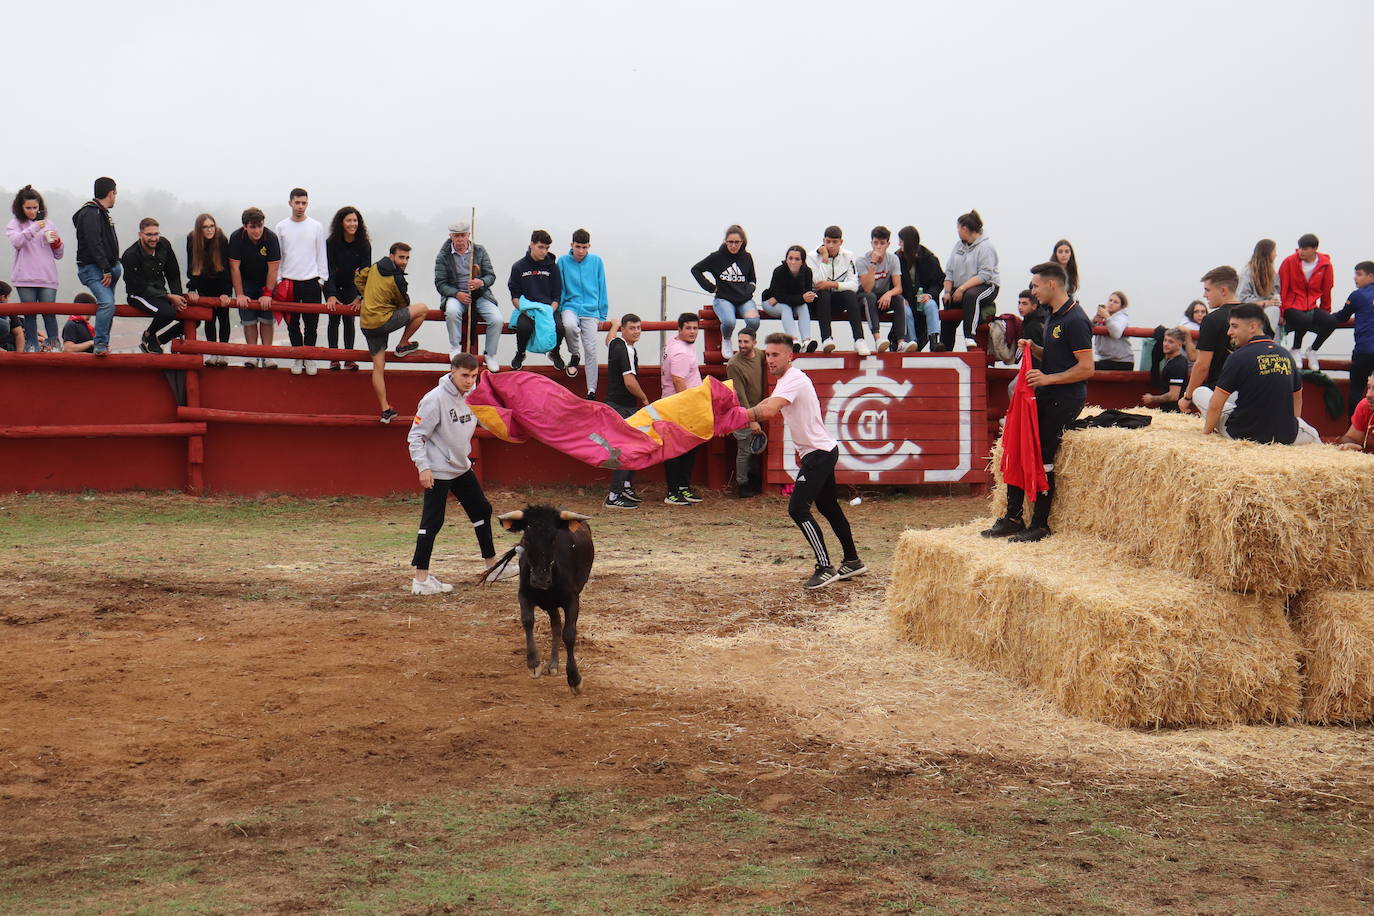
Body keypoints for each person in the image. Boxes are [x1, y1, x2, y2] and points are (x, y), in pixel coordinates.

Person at [744, 332, 866, 589]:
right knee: (828, 507)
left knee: (797, 509)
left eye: (776, 355)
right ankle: (853, 561)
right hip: (821, 451)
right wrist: (749, 417)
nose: (770, 360)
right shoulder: (787, 379)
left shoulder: (794, 378)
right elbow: (767, 403)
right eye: (767, 355)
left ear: (791, 356)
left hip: (818, 454)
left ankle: (825, 567)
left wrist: (738, 416)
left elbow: (768, 409)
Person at [981, 261, 1092, 543]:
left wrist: (1047, 379)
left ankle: (1040, 524)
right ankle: (1013, 517)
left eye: (1035, 285)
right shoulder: (1052, 315)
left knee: (1042, 457)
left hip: (1063, 399)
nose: (1033, 291)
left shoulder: (1075, 319)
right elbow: (1057, 358)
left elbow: (1086, 368)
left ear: (1051, 284)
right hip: (1046, 394)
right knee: (1018, 448)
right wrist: (1034, 349)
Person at [407, 352, 498, 594]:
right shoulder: (434, 399)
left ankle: (491, 567)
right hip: (438, 469)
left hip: (460, 466)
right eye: (465, 376)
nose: (469, 381)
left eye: (474, 376)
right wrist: (423, 467)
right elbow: (416, 436)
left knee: (481, 509)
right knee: (432, 520)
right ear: (453, 371)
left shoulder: (473, 394)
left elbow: (487, 419)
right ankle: (421, 579)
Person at [1195, 304, 1319, 445]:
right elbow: (1297, 398)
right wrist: (1292, 425)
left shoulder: (1237, 357)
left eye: (1234, 326)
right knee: (1314, 435)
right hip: (1284, 436)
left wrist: (1206, 435)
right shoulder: (1286, 355)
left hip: (1241, 434)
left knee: (1200, 392)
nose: (1229, 332)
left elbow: (1216, 405)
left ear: (1253, 327)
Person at [357, 242, 429, 423]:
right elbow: (404, 303)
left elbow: (358, 277)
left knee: (378, 368)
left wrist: (369, 297)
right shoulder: (397, 279)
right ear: (392, 257)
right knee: (422, 309)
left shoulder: (374, 267)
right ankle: (403, 343)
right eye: (401, 257)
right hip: (383, 321)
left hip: (367, 324)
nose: (404, 262)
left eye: (407, 258)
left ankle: (385, 409)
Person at [275, 188, 328, 376]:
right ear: (290, 203)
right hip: (289, 281)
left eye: (303, 203)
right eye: (297, 202)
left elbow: (321, 254)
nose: (300, 206)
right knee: (293, 323)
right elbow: (278, 256)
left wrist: (321, 280)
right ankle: (298, 356)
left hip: (311, 281)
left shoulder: (316, 226)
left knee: (311, 323)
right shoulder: (281, 227)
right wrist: (279, 279)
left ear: (307, 203)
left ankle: (310, 356)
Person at [435, 220, 501, 370]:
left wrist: (480, 282)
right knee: (451, 312)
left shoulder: (480, 251)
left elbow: (491, 276)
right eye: (456, 235)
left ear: (468, 235)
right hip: (455, 295)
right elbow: (440, 283)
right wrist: (456, 293)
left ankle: (490, 354)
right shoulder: (443, 256)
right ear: (451, 236)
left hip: (481, 295)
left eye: (462, 235)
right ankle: (455, 347)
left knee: (496, 319)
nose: (459, 239)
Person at [7, 186, 64, 352]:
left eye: (35, 207)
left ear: (40, 207)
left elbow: (59, 254)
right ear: (20, 207)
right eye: (28, 208)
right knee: (29, 313)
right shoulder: (14, 224)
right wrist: (34, 228)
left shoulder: (49, 224)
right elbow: (17, 242)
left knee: (49, 312)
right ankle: (31, 344)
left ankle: (54, 343)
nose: (32, 211)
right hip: (24, 277)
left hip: (47, 277)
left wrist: (57, 243)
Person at [602, 313, 650, 509]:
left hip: (614, 403)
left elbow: (608, 340)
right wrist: (645, 399)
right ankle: (615, 495)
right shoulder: (627, 351)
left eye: (638, 328)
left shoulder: (617, 344)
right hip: (624, 406)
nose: (636, 331)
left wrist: (613, 325)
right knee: (626, 449)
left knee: (624, 448)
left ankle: (625, 487)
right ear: (625, 329)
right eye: (632, 328)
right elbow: (629, 382)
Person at [120, 218, 189, 353]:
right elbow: (140, 287)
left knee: (192, 317)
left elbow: (173, 273)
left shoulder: (164, 245)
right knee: (168, 313)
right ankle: (148, 334)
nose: (154, 238)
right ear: (140, 235)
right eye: (149, 234)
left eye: (156, 234)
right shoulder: (130, 255)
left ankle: (157, 341)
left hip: (160, 292)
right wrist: (169, 297)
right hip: (138, 294)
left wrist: (177, 296)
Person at [690, 225, 758, 359]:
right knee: (729, 321)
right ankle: (726, 339)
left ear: (742, 242)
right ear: (725, 242)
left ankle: (745, 344)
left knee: (754, 321)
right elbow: (696, 269)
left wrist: (750, 288)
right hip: (723, 299)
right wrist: (711, 287)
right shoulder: (716, 257)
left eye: (736, 242)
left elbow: (752, 279)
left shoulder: (747, 257)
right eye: (730, 242)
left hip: (744, 299)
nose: (733, 245)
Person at [1180, 267, 1241, 416]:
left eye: (1208, 290)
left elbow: (1202, 365)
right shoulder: (1257, 316)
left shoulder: (1212, 320)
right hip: (1253, 393)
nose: (1204, 295)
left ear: (1223, 290)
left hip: (1222, 393)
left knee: (1200, 393)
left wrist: (1188, 396)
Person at [71, 177, 120, 357]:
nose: (115, 197)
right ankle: (100, 344)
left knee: (110, 306)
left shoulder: (99, 212)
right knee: (107, 304)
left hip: (108, 266)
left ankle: (103, 342)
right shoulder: (91, 212)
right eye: (115, 193)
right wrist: (105, 267)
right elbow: (93, 242)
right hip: (96, 268)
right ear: (110, 193)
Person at [227, 207, 282, 369]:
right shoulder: (236, 237)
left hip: (267, 281)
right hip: (245, 282)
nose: (258, 230)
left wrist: (267, 293)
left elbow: (273, 268)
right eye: (253, 227)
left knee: (267, 319)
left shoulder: (271, 237)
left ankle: (267, 355)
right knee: (248, 320)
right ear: (245, 226)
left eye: (260, 226)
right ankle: (252, 354)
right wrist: (240, 294)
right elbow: (234, 268)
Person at [558, 229, 609, 398]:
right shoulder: (563, 261)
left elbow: (602, 286)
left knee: (591, 348)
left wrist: (603, 313)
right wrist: (559, 307)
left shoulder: (596, 261)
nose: (580, 251)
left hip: (591, 310)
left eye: (584, 247)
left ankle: (591, 389)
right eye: (578, 246)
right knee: (569, 325)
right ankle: (574, 353)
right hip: (570, 306)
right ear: (571, 245)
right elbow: (561, 286)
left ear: (589, 246)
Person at [507, 230, 565, 372]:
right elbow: (515, 296)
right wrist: (525, 310)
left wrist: (549, 311)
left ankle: (555, 352)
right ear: (532, 245)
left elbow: (557, 294)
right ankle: (520, 353)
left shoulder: (553, 267)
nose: (544, 251)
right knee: (524, 327)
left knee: (560, 328)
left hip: (548, 308)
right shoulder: (518, 267)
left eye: (547, 248)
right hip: (527, 308)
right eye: (541, 247)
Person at [942, 209, 999, 352]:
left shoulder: (986, 247)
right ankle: (944, 346)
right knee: (948, 304)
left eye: (958, 228)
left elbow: (985, 275)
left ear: (964, 229)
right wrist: (948, 292)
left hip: (986, 286)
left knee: (971, 296)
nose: (957, 231)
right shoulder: (958, 246)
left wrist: (962, 289)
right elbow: (949, 271)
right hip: (961, 287)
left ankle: (970, 336)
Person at [1278, 233, 1337, 371]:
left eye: (1305, 249)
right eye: (1300, 248)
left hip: (1310, 305)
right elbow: (1282, 287)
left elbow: (1327, 289)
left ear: (1314, 248)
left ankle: (1312, 350)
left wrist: (1325, 310)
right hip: (1291, 305)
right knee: (1304, 321)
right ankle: (1296, 348)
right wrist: (1282, 311)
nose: (1301, 252)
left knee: (1331, 322)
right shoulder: (1289, 262)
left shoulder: (1325, 265)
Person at [661, 312, 703, 506]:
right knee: (677, 448)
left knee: (689, 447)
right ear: (680, 329)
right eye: (688, 328)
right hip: (680, 405)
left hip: (682, 403)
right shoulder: (680, 352)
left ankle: (683, 487)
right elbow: (678, 380)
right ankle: (673, 491)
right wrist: (686, 407)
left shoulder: (675, 342)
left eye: (695, 328)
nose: (692, 332)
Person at [324, 206, 371, 371]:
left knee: (349, 319)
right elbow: (328, 269)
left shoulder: (364, 244)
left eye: (355, 220)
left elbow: (366, 272)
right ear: (341, 223)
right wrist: (330, 294)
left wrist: (360, 297)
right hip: (334, 284)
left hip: (353, 285)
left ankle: (349, 358)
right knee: (334, 318)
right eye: (349, 220)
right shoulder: (331, 243)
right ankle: (333, 358)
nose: (353, 224)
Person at [185, 213, 233, 366]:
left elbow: (226, 268)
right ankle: (212, 352)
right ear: (200, 229)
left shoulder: (221, 239)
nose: (209, 229)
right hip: (203, 283)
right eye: (205, 227)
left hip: (220, 281)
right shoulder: (192, 239)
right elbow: (191, 265)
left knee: (223, 317)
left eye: (211, 226)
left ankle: (223, 353)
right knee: (209, 319)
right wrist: (191, 288)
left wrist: (226, 292)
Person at [809, 226, 863, 354]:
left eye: (835, 242)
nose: (831, 245)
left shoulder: (848, 256)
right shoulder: (811, 256)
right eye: (828, 242)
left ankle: (859, 340)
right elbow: (818, 284)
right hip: (818, 302)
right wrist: (825, 259)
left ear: (841, 242)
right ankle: (827, 338)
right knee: (823, 293)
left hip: (837, 301)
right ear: (823, 240)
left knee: (850, 295)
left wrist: (833, 285)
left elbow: (854, 285)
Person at [1331, 261, 1374, 418]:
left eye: (1359, 274)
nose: (1355, 278)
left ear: (1371, 276)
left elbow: (1342, 317)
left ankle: (1354, 431)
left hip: (1364, 352)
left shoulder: (1357, 295)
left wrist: (1323, 318)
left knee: (1356, 390)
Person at [727, 328, 766, 497]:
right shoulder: (734, 364)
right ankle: (742, 484)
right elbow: (739, 396)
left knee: (756, 448)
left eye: (746, 342)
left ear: (754, 343)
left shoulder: (760, 355)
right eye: (740, 342)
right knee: (745, 449)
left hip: (760, 410)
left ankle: (753, 480)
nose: (742, 345)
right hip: (743, 412)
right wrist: (751, 420)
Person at [855, 226, 906, 354]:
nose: (878, 247)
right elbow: (867, 288)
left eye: (882, 243)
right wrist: (873, 263)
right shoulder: (862, 261)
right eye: (876, 243)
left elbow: (898, 288)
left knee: (899, 299)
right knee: (870, 296)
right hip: (864, 298)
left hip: (882, 298)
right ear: (871, 243)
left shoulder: (893, 259)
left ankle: (901, 342)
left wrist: (889, 294)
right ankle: (877, 339)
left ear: (888, 244)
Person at [895, 225, 946, 352]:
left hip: (923, 299)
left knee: (931, 305)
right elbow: (893, 283)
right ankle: (912, 342)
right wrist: (900, 298)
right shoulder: (897, 259)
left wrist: (929, 294)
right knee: (904, 310)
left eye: (901, 241)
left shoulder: (929, 259)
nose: (899, 244)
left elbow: (939, 281)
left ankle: (935, 341)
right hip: (906, 300)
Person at [761, 245, 816, 352]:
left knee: (803, 306)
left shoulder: (807, 272)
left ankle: (806, 341)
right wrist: (801, 298)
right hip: (770, 302)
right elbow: (778, 295)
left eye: (797, 259)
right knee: (786, 308)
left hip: (790, 303)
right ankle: (793, 340)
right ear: (786, 259)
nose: (793, 262)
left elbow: (806, 295)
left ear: (803, 261)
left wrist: (802, 298)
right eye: (790, 258)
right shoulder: (779, 271)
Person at [1238, 238, 1281, 335]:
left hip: (1270, 315)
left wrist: (1275, 300)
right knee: (1273, 310)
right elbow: (1242, 299)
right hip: (1251, 315)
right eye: (1274, 251)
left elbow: (1276, 293)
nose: (1276, 254)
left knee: (1274, 310)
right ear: (1267, 252)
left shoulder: (1273, 274)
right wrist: (1264, 303)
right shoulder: (1247, 273)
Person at [1140, 328, 1189, 411]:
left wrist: (1152, 398)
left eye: (1170, 341)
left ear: (1180, 344)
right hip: (1168, 410)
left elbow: (1173, 395)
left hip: (1172, 411)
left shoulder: (1178, 365)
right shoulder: (1172, 361)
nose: (1166, 344)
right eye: (1165, 340)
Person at [1092, 291, 1133, 370]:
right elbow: (1087, 329)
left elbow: (1116, 333)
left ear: (1121, 307)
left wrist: (1107, 318)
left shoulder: (1122, 318)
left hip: (1122, 362)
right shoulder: (1103, 315)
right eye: (1110, 300)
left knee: (1087, 367)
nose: (1111, 303)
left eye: (1116, 302)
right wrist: (1094, 321)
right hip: (1105, 360)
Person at [1336, 375, 1374, 453]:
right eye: (1369, 387)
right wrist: (1350, 445)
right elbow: (1351, 438)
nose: (1368, 395)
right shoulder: (1365, 406)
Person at [0, 281, 19, 351]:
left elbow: (19, 333)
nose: (8, 300)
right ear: (2, 297)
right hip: (7, 346)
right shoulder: (9, 310)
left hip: (8, 347)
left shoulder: (10, 312)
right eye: (7, 297)